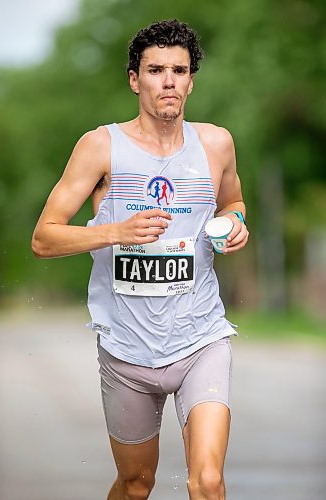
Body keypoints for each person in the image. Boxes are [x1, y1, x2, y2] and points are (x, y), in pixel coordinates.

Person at [32, 19, 249, 500]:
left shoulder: (216, 143)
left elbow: (233, 203)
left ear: (191, 80)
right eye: (155, 70)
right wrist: (115, 232)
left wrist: (234, 224)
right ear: (135, 79)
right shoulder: (100, 146)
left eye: (179, 70)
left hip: (201, 338)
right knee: (136, 484)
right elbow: (44, 239)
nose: (168, 81)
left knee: (208, 481)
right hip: (126, 348)